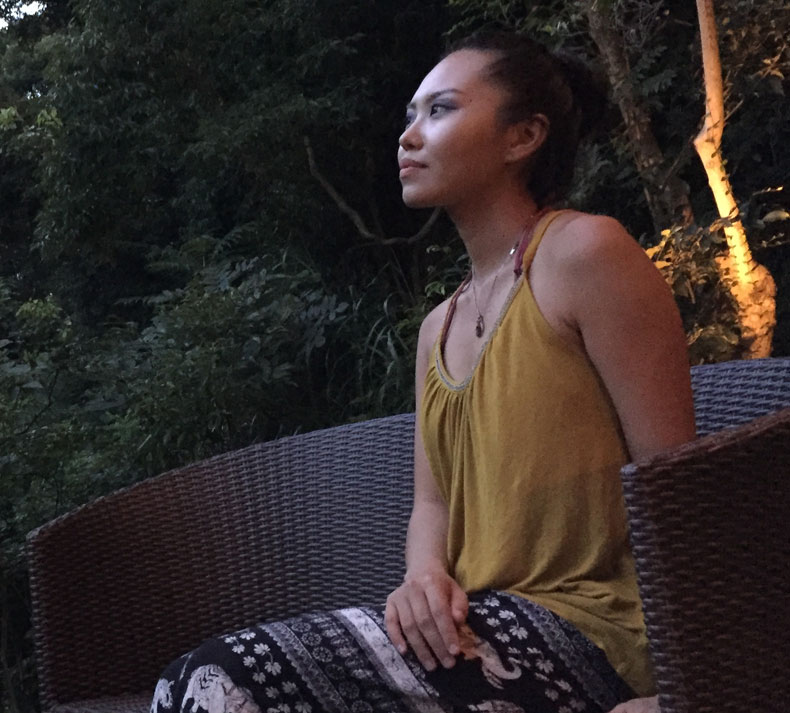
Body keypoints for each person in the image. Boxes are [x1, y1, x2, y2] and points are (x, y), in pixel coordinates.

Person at [150, 30, 695, 713]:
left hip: (597, 636)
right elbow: (432, 505)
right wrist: (422, 577)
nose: (408, 136)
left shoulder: (585, 253)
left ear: (523, 136)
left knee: (217, 679)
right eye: (410, 115)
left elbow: (680, 481)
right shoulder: (438, 327)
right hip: (469, 630)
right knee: (190, 681)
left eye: (440, 110)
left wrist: (687, 690)